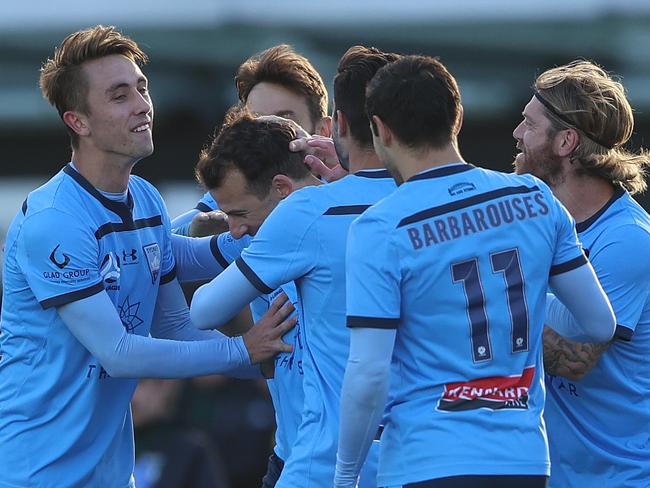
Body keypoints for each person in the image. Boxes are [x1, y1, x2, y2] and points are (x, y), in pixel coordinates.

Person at [0, 25, 294, 487]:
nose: (142, 104)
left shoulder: (145, 197)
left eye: (142, 87)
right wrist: (243, 349)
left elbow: (175, 324)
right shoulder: (53, 221)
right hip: (36, 474)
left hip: (113, 474)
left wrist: (265, 228)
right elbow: (119, 353)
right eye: (119, 95)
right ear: (78, 121)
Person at [334, 55, 616, 488]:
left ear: (381, 129)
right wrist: (527, 300)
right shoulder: (534, 196)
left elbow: (369, 371)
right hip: (523, 461)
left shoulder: (379, 227)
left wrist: (345, 474)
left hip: (426, 460)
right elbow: (598, 324)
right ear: (458, 117)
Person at [190, 46, 400, 488]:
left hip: (335, 461)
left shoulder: (303, 209)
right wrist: (247, 343)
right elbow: (159, 246)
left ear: (330, 128)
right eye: (252, 125)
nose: (265, 139)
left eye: (282, 123)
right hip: (299, 449)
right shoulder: (235, 205)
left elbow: (202, 310)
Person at [513, 60, 650, 487]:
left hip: (619, 476)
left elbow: (574, 359)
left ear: (566, 141)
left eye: (529, 125)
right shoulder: (535, 213)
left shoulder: (627, 239)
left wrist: (479, 308)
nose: (517, 134)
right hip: (559, 474)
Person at [172, 44, 331, 236]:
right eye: (256, 122)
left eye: (285, 123)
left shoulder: (352, 190)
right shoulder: (234, 189)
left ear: (323, 131)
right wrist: (192, 233)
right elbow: (163, 239)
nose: (266, 136)